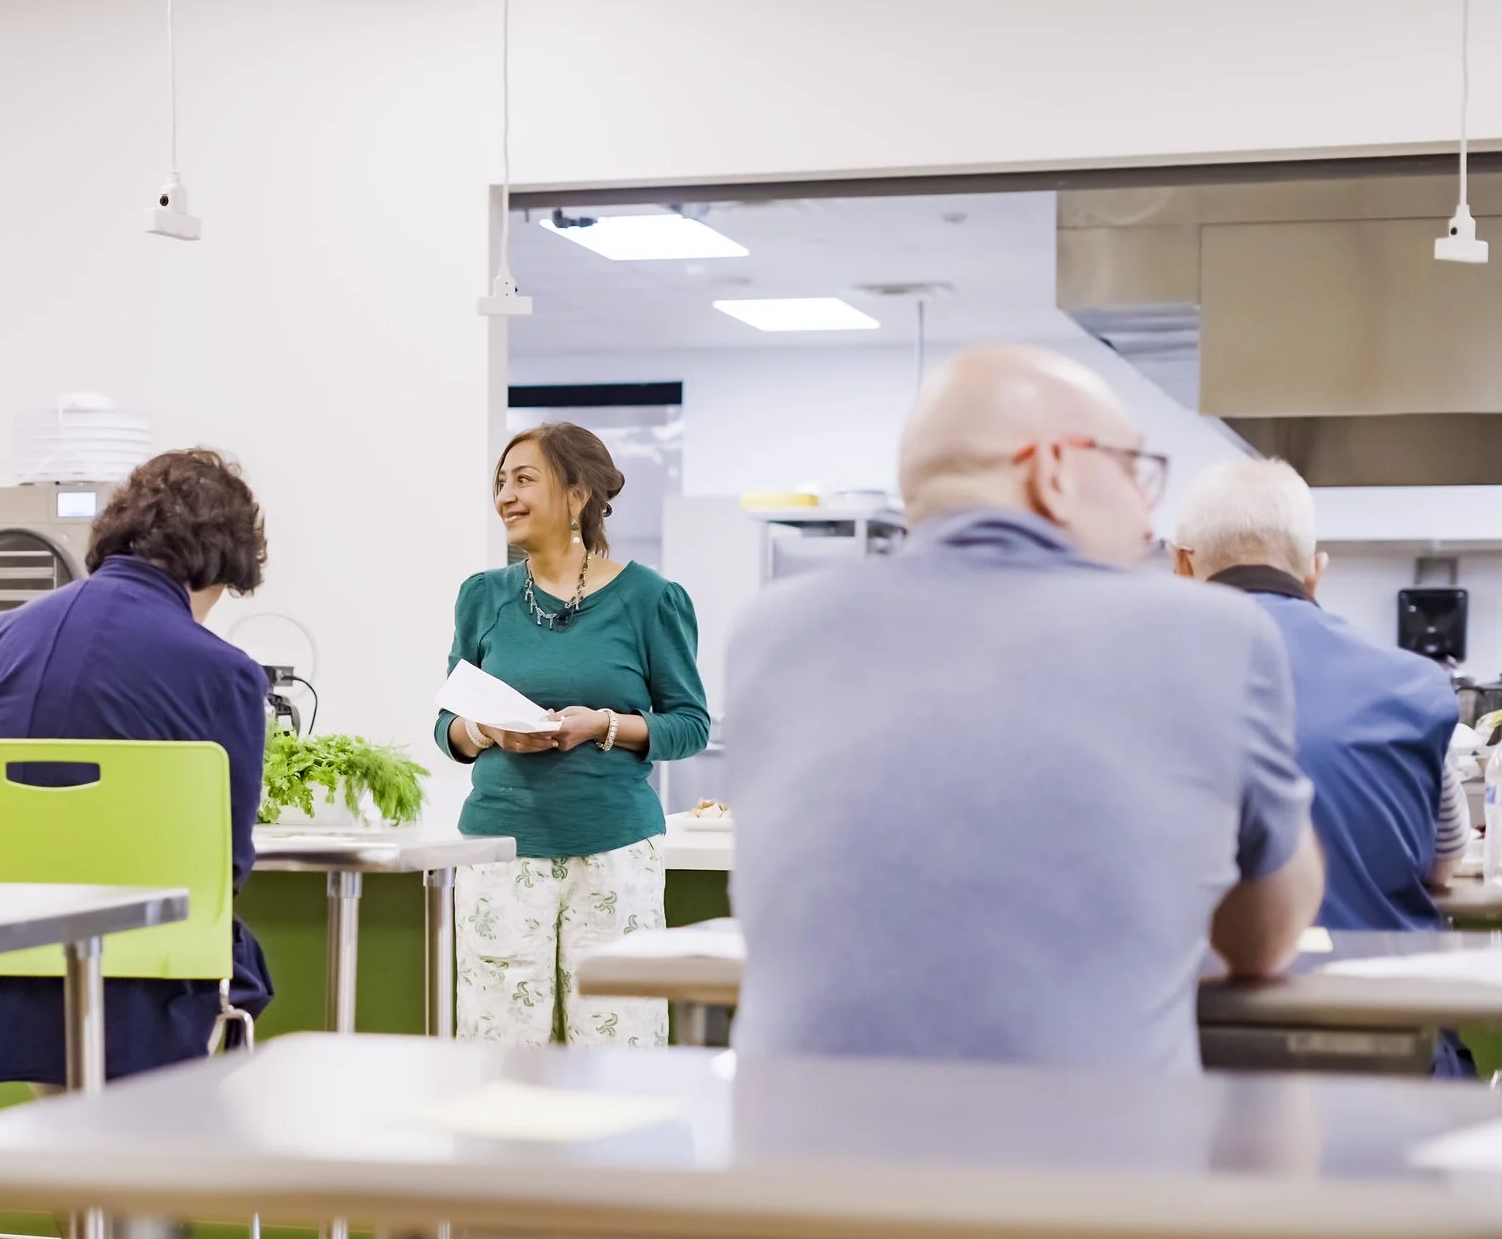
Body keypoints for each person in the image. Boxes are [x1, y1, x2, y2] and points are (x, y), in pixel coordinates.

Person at [725, 344, 1323, 1076]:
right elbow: (1262, 941)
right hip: (1090, 1175)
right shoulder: (1213, 631)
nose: (1147, 521)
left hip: (785, 1174)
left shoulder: (770, 631)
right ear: (1054, 471)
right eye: (1136, 473)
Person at [0, 447, 274, 1094]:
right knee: (222, 953)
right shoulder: (228, 672)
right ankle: (141, 1188)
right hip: (141, 992)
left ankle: (76, 1180)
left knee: (70, 977)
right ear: (220, 567)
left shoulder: (7, 633)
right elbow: (223, 871)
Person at [1171, 457, 1473, 1074]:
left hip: (1183, 1050)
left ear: (1181, 563)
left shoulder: (1117, 680)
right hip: (1388, 1046)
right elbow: (1445, 859)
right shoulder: (1415, 686)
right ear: (1315, 571)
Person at [435, 423, 710, 1046]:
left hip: (613, 851)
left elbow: (690, 724)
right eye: (501, 482)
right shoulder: (483, 597)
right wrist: (487, 730)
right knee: (497, 1046)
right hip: (500, 849)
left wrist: (604, 726)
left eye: (524, 479)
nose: (506, 495)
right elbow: (447, 726)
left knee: (620, 1044)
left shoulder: (651, 598)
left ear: (578, 494)